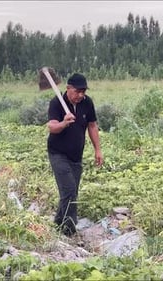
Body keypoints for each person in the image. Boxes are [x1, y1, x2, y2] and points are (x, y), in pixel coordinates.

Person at [47, 73, 103, 236]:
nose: (81, 95)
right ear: (68, 88)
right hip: (58, 153)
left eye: (83, 91)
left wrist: (97, 149)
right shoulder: (57, 103)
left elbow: (92, 126)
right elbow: (52, 127)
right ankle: (69, 231)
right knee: (69, 191)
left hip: (76, 155)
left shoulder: (87, 103)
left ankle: (58, 224)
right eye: (78, 91)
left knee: (70, 193)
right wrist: (64, 123)